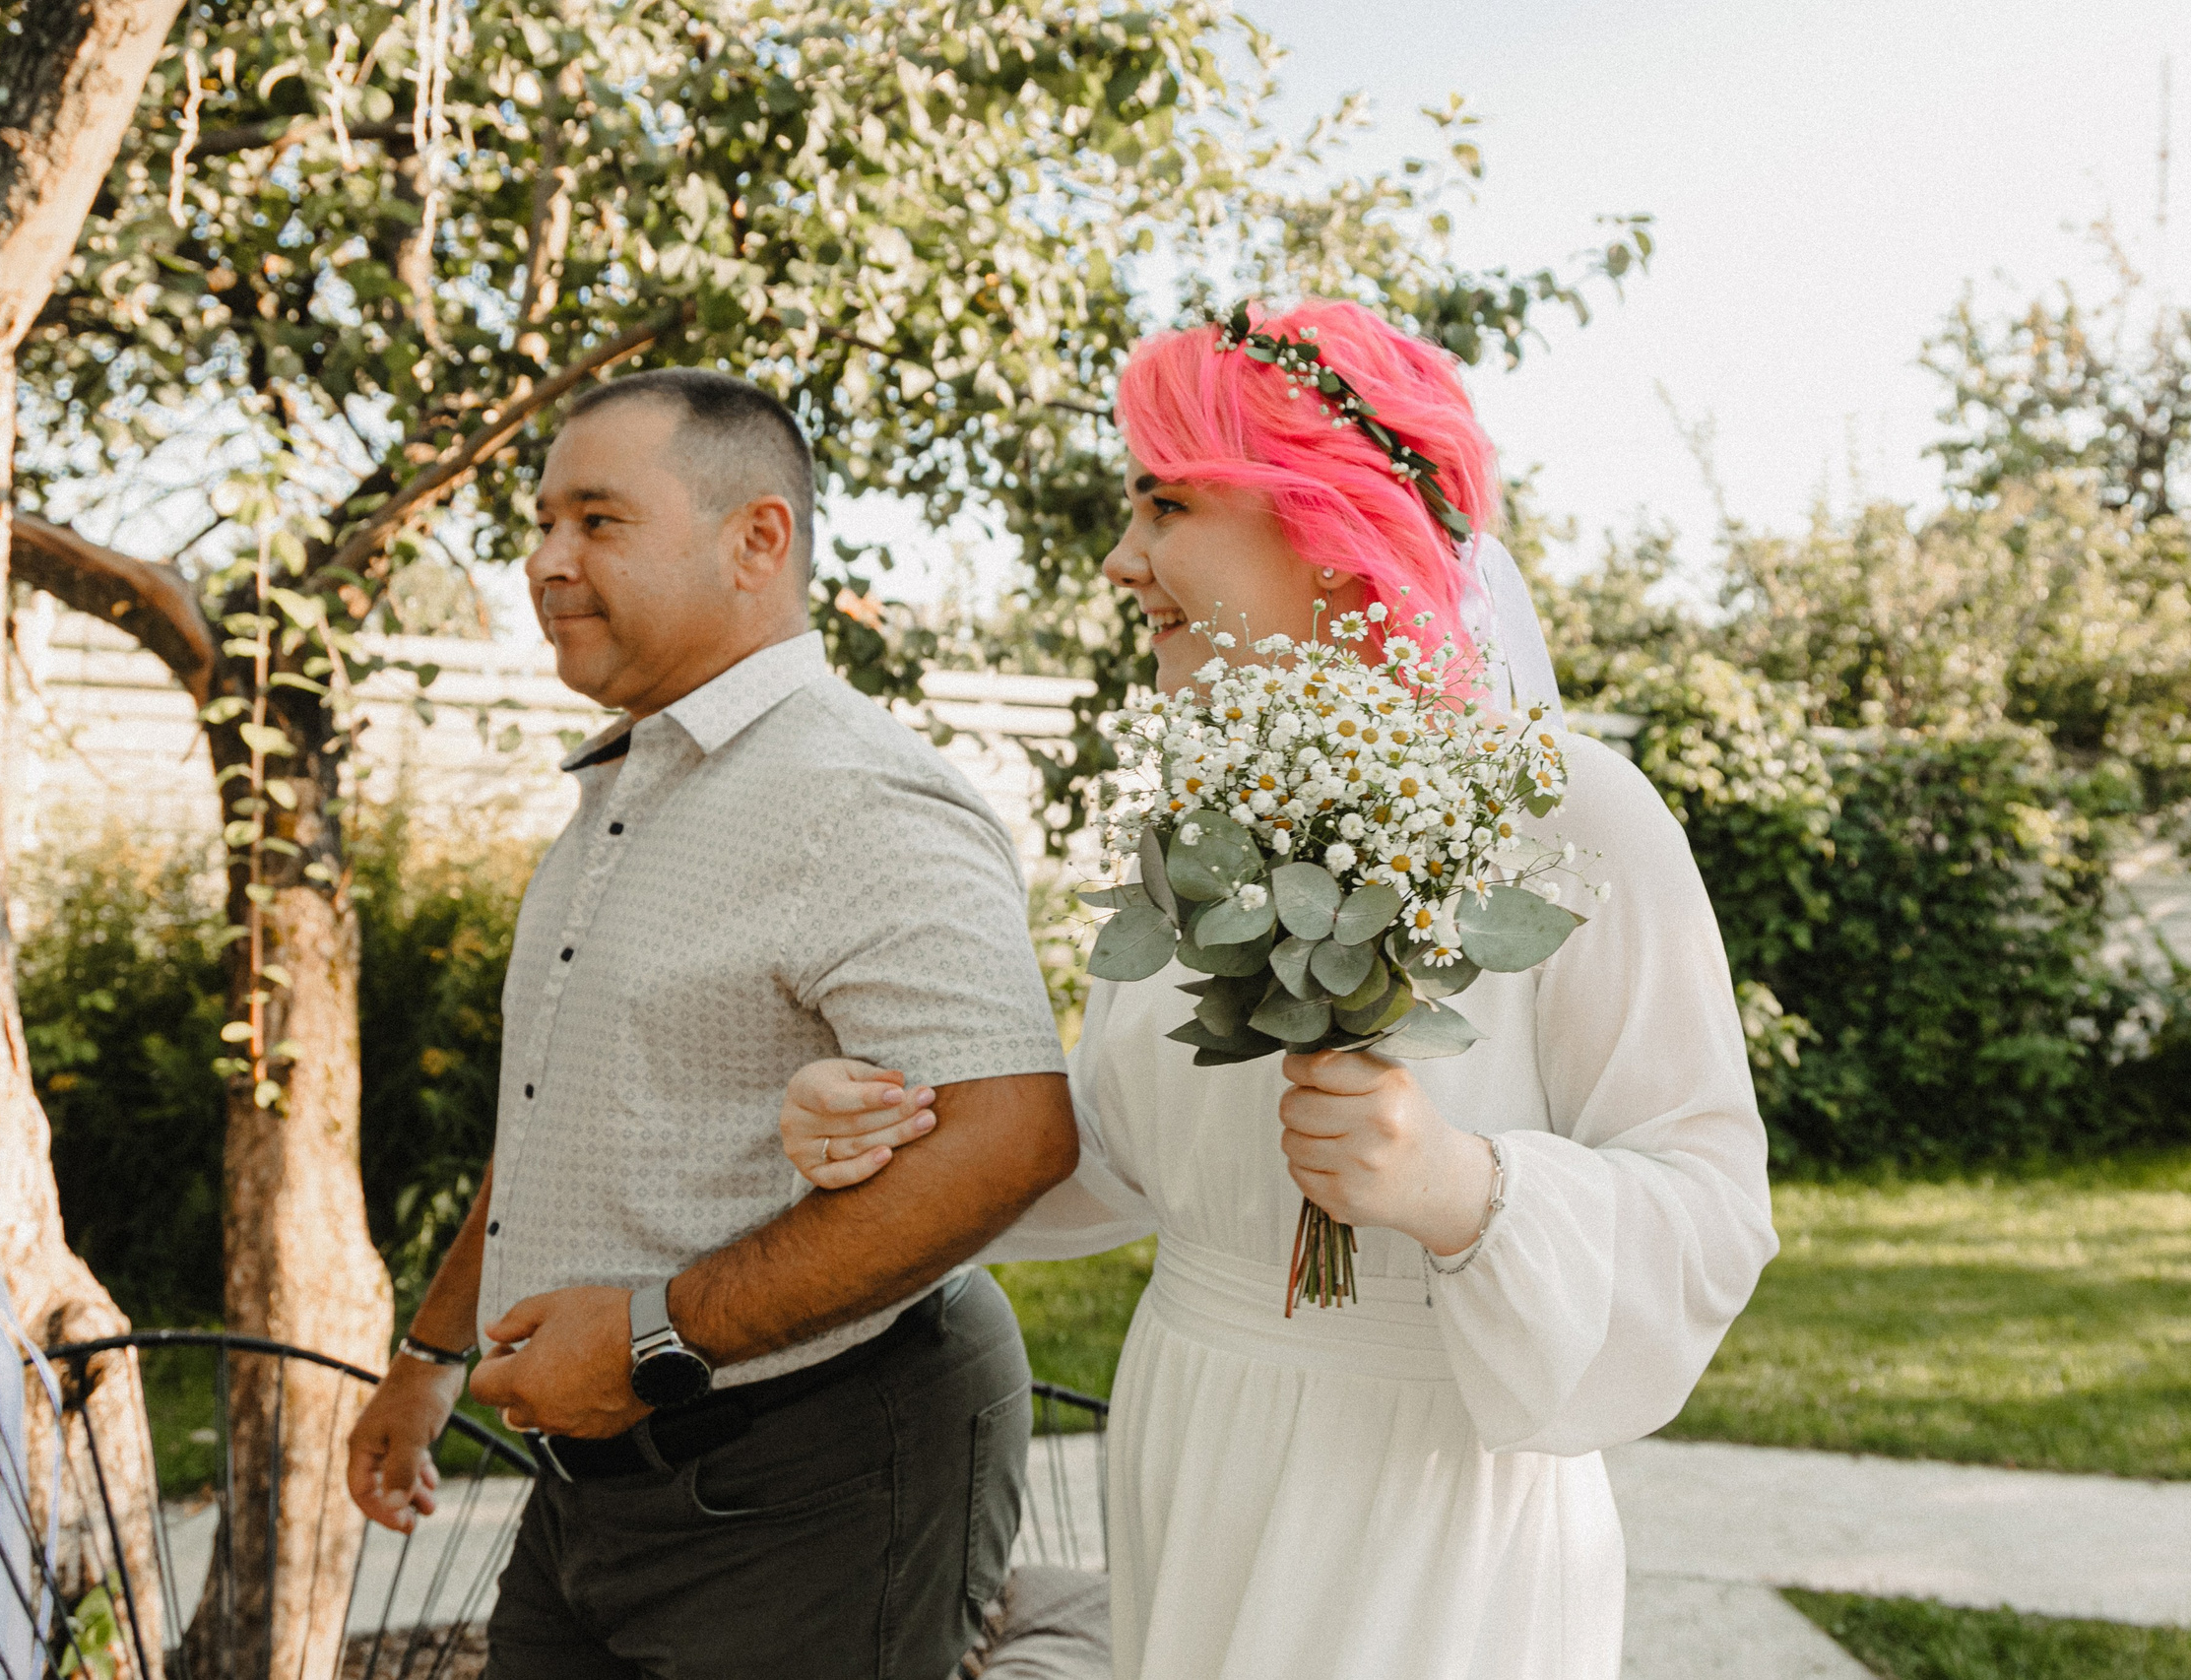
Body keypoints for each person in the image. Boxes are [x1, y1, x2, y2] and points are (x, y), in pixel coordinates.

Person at [778, 299, 1779, 1680]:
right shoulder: (1202, 821)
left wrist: (1462, 1188)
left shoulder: (1579, 818)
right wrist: (899, 1134)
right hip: (1198, 1441)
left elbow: (1713, 1206)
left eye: (1166, 502)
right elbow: (1128, 1149)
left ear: (1327, 522)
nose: (1123, 559)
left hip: (1427, 1501)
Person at [342, 367, 1081, 1680]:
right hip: (593, 1478)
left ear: (758, 539)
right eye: (541, 522)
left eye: (597, 520)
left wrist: (648, 1337)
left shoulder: (854, 793)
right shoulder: (630, 789)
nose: (544, 561)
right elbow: (558, 1119)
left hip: (817, 1472)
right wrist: (429, 1356)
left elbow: (1011, 1137)